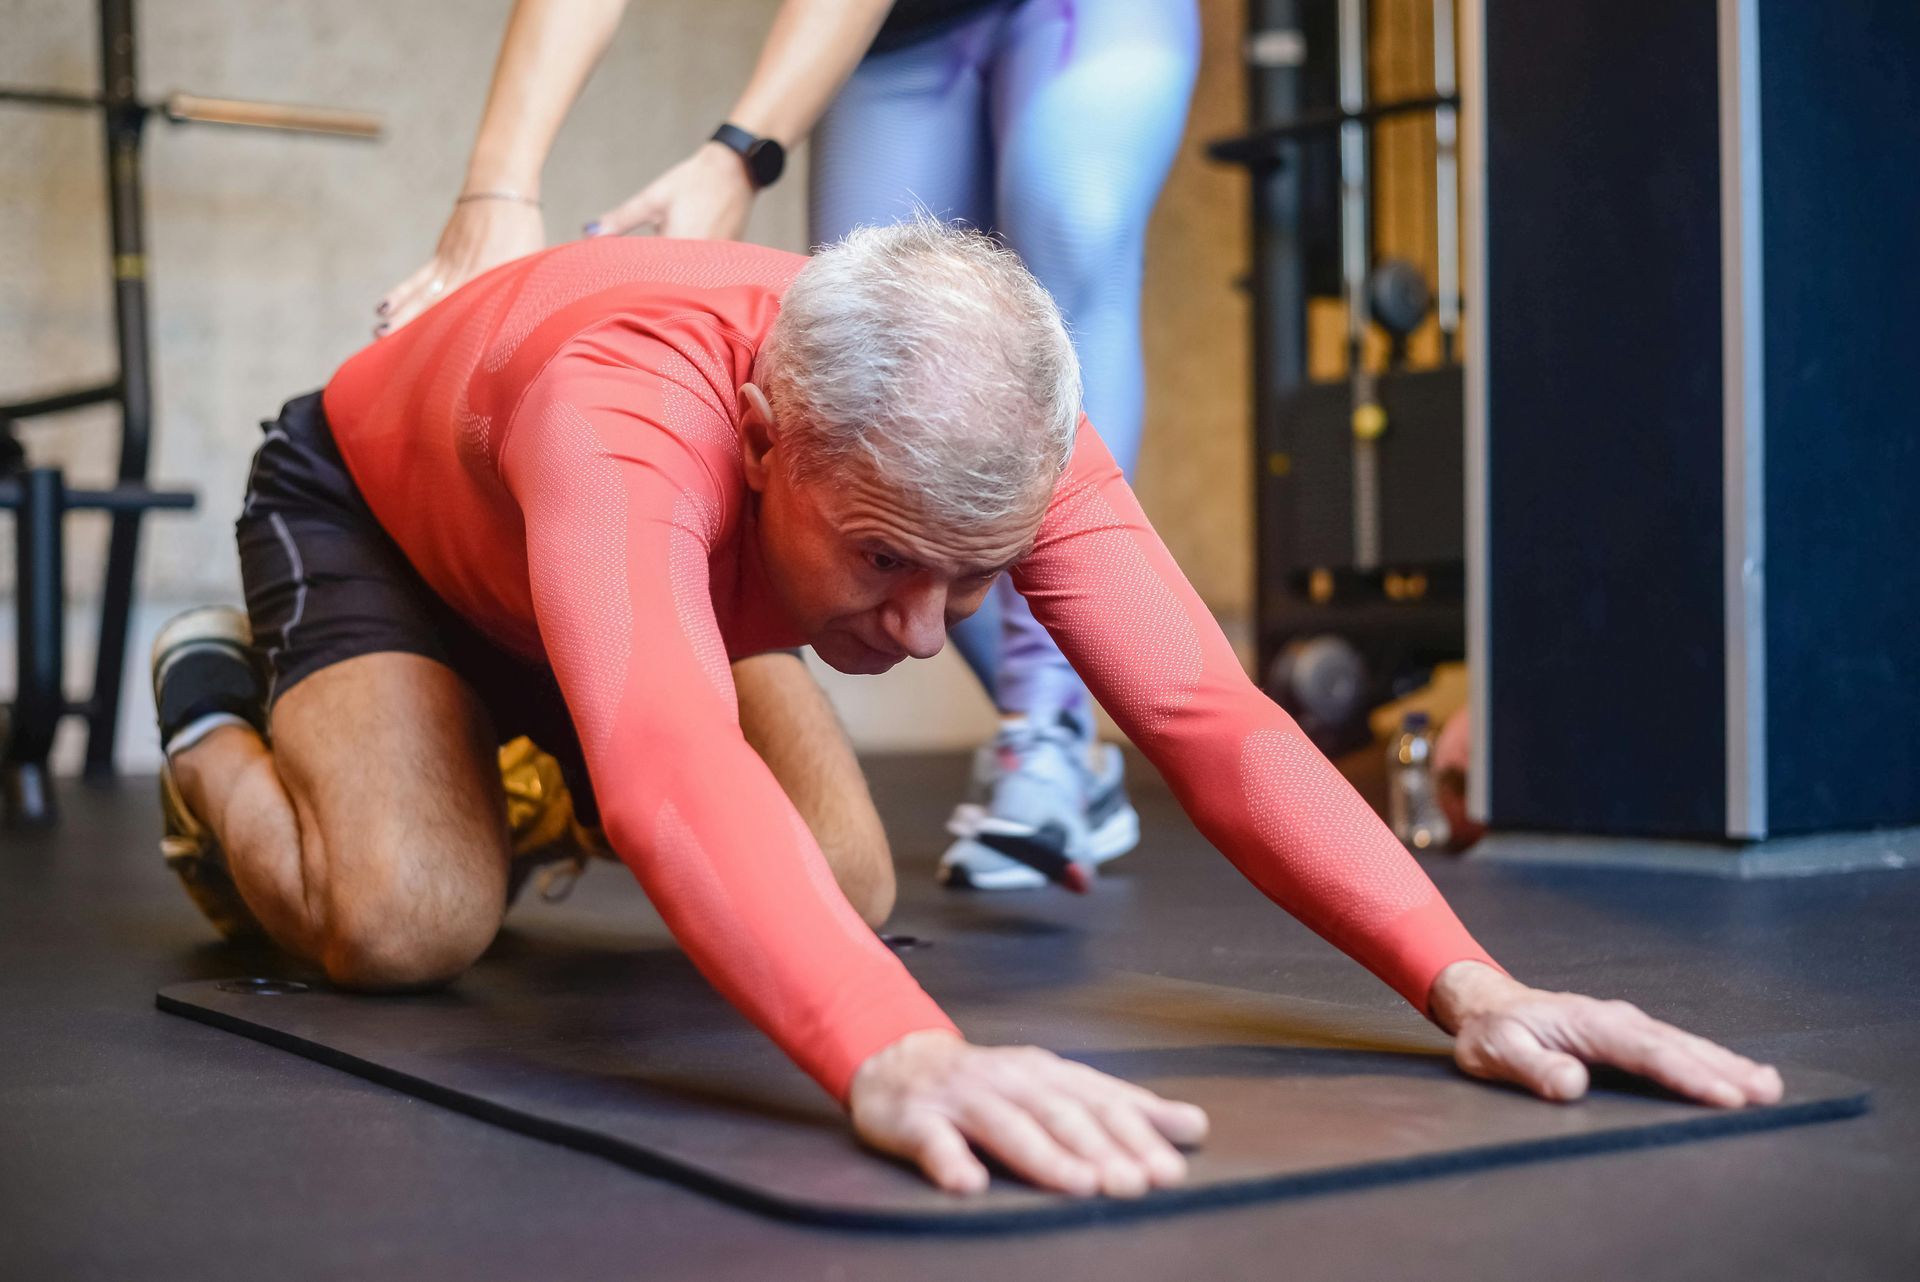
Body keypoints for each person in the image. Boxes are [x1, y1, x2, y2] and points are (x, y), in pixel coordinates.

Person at [157, 224, 1783, 1198]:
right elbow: (665, 761)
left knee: (846, 890)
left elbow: (1209, 715)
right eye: (886, 563)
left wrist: (1472, 984)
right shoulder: (631, 409)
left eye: (975, 575)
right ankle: (220, 709)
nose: (927, 636)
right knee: (401, 922)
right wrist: (900, 1058)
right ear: (761, 434)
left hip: (628, 581)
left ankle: (499, 750)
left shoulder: (992, 439)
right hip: (389, 520)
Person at [377, 0, 1202, 891]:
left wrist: (741, 151)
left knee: (1072, 213)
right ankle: (1050, 726)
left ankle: (1046, 732)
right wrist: (501, 191)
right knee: (883, 401)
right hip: (902, 36)